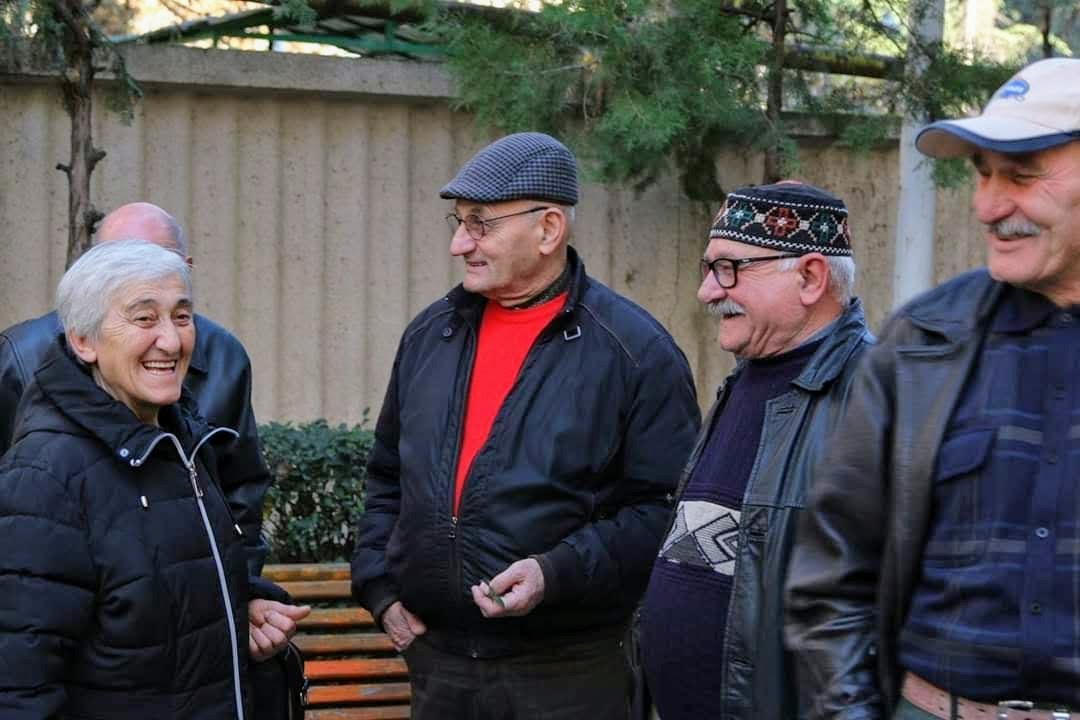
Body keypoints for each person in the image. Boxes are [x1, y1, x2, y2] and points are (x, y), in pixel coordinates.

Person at [350, 131, 700, 719]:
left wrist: (553, 573)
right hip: (442, 669)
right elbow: (386, 476)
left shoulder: (635, 351)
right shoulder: (430, 335)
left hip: (571, 674)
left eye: (481, 224)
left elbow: (664, 513)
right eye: (458, 222)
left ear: (548, 230)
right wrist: (379, 588)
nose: (461, 243)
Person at [785, 57, 1080, 720]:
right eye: (981, 173)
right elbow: (832, 576)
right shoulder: (920, 342)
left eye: (1021, 175)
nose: (987, 205)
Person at [0, 240, 308, 718]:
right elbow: (19, 684)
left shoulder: (179, 441)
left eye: (182, 317)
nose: (171, 340)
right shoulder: (46, 474)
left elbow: (151, 599)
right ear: (83, 340)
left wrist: (234, 613)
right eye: (144, 318)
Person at [639, 181, 871, 719]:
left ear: (811, 277)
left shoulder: (875, 399)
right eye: (708, 268)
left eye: (730, 268)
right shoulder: (745, 381)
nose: (708, 292)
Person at [0, 202, 271, 576]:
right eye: (121, 265)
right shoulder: (21, 356)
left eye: (158, 264)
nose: (170, 343)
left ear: (186, 270)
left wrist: (244, 592)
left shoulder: (224, 357)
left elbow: (238, 494)